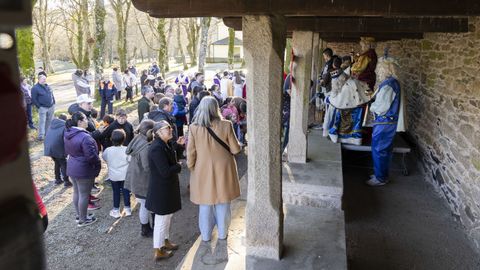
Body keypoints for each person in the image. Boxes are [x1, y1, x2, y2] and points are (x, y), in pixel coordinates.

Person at [187, 96, 241, 242]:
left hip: (202, 168)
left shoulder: (193, 127)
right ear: (216, 107)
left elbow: (191, 152)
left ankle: (205, 236)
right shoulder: (226, 125)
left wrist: (192, 167)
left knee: (205, 204)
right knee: (223, 202)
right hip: (224, 168)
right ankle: (223, 234)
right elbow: (235, 149)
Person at [146, 120, 183, 260]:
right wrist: (178, 167)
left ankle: (165, 241)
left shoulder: (164, 144)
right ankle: (158, 250)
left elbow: (171, 159)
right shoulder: (156, 148)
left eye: (170, 128)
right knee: (161, 221)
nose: (171, 130)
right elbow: (166, 171)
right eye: (167, 128)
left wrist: (178, 146)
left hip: (167, 188)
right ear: (158, 132)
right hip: (161, 190)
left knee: (168, 218)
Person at [367, 56, 403, 186]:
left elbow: (382, 107)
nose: (377, 72)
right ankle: (380, 173)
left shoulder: (389, 85)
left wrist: (371, 105)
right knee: (383, 150)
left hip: (385, 122)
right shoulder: (392, 82)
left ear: (385, 69)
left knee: (379, 150)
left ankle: (380, 178)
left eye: (379, 69)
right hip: (387, 122)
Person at [64, 112, 101, 227]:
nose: (87, 121)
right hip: (84, 169)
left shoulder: (68, 132)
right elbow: (91, 157)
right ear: (79, 122)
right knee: (84, 194)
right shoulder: (85, 137)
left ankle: (79, 215)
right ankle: (83, 219)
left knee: (77, 192)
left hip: (72, 166)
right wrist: (98, 165)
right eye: (85, 119)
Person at [125, 120, 155, 237]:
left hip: (136, 178)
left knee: (144, 205)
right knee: (146, 206)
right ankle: (146, 229)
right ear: (150, 132)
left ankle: (146, 227)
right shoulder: (145, 146)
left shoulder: (137, 139)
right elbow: (147, 166)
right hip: (143, 181)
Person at [102, 129, 132, 218]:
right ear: (124, 139)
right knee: (126, 191)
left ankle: (116, 210)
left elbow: (104, 158)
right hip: (125, 175)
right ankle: (127, 209)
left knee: (116, 192)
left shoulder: (108, 150)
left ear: (111, 139)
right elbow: (130, 160)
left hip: (113, 175)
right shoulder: (126, 150)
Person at [44, 113, 72, 187]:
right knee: (63, 163)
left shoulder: (52, 125)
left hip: (49, 148)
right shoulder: (64, 126)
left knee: (57, 162)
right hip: (58, 148)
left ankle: (57, 179)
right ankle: (66, 181)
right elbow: (66, 138)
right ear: (65, 119)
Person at [31, 75, 56, 141]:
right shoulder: (35, 88)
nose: (45, 80)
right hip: (42, 107)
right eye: (43, 79)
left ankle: (47, 134)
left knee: (49, 120)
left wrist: (54, 102)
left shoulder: (48, 86)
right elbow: (33, 99)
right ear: (39, 79)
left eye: (45, 79)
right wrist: (39, 106)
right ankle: (41, 136)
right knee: (42, 121)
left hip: (51, 106)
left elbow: (52, 95)